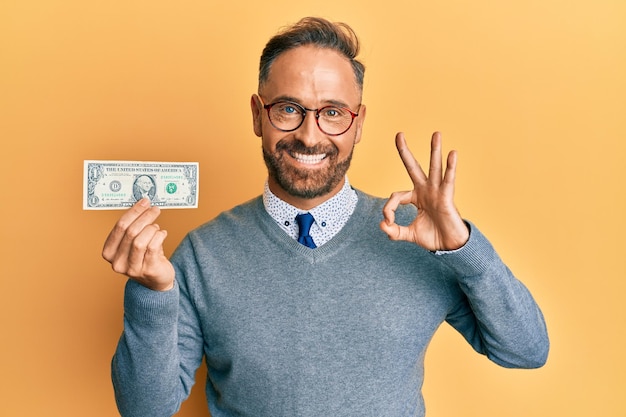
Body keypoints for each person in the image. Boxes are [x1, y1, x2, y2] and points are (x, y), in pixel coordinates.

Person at [102, 17, 549, 417]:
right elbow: (145, 408)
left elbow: (526, 350)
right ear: (259, 115)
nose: (310, 135)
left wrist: (462, 248)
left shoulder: (419, 238)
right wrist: (151, 293)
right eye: (289, 109)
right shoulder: (202, 255)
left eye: (333, 113)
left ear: (358, 124)